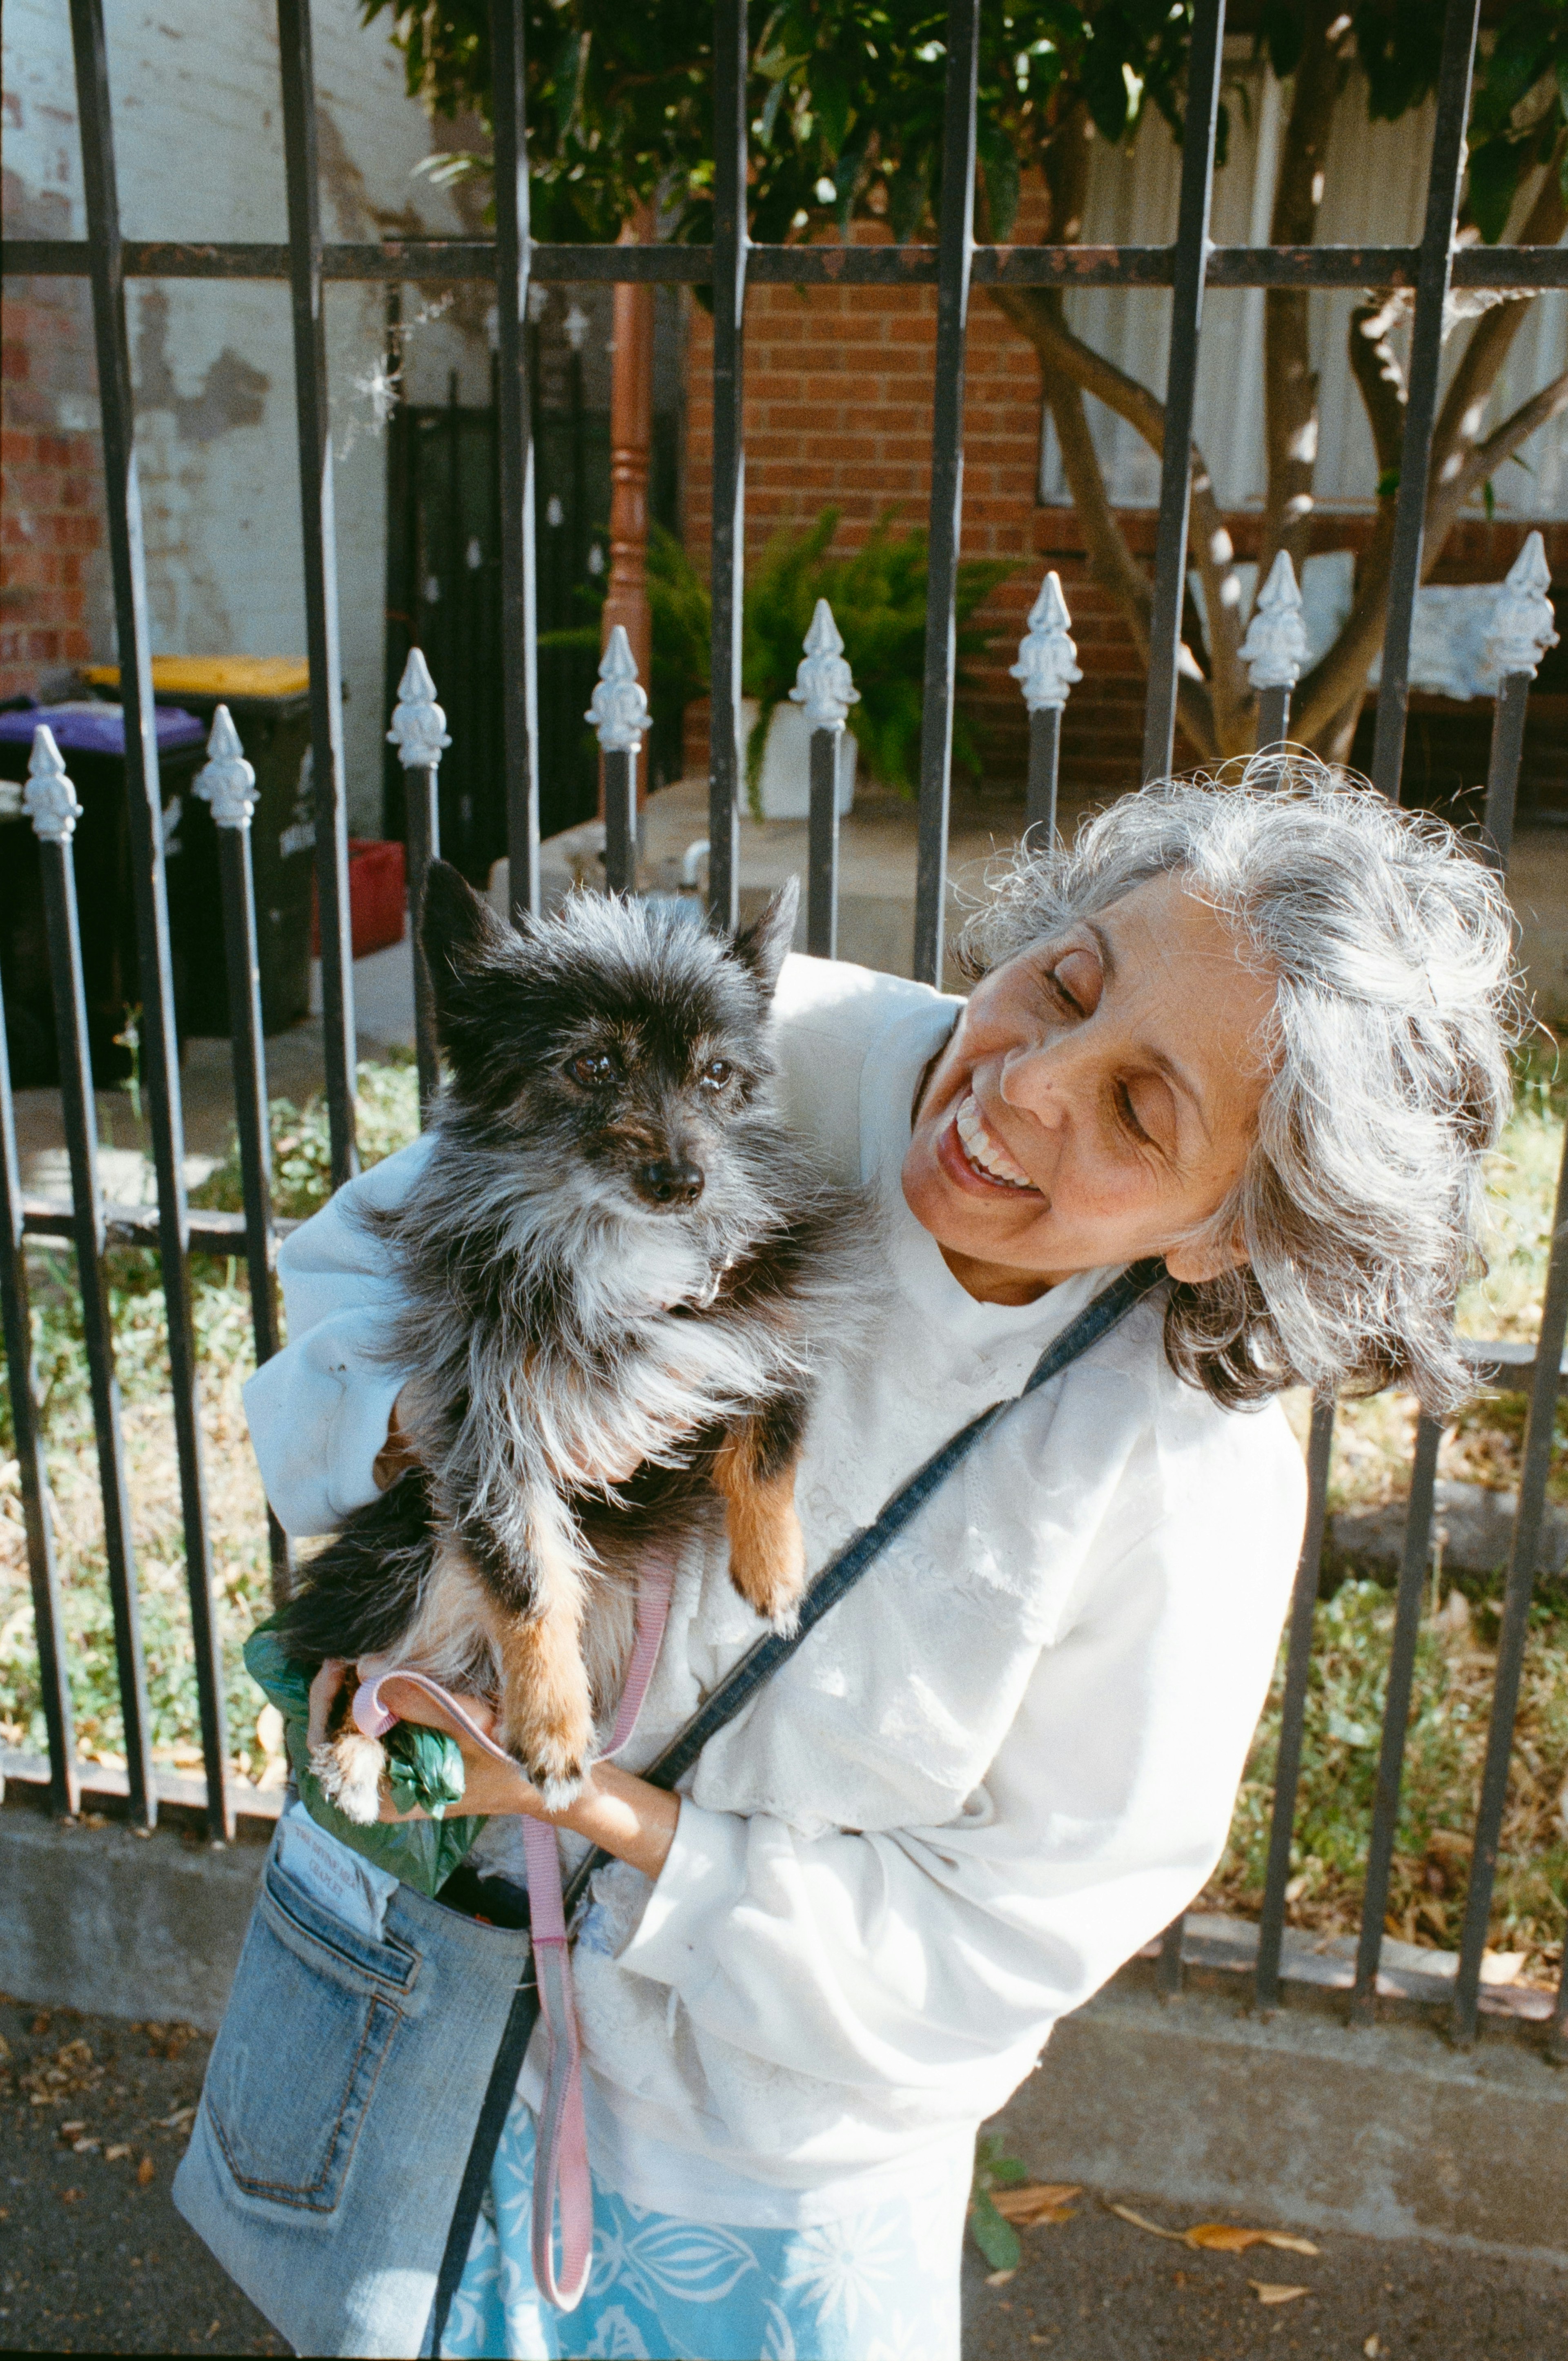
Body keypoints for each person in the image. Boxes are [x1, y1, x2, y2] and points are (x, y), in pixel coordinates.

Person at [243, 762, 1515, 2361]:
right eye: (1064, 981)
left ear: (1228, 1232)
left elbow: (1007, 1930)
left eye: (1140, 1108)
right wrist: (452, 1435)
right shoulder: (752, 1048)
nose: (1030, 1084)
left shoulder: (1185, 1484)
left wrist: (597, 1810)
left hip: (738, 2164)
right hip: (408, 1995)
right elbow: (359, 1275)